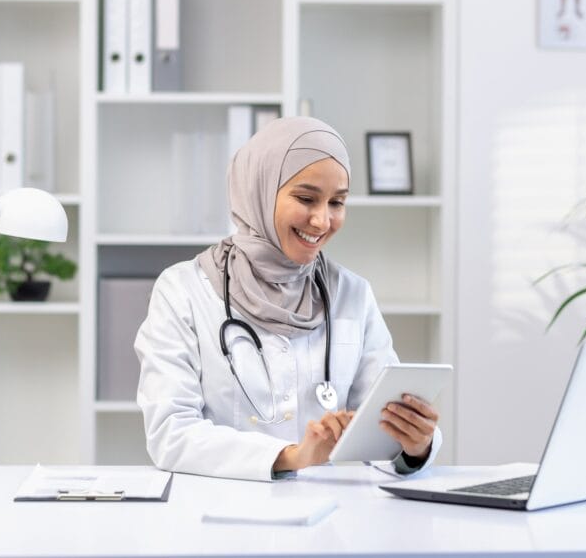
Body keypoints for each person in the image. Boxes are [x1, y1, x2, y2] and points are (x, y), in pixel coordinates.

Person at [135, 116, 442, 481]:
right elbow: (171, 433)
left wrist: (414, 445)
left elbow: (377, 429)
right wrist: (291, 456)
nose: (322, 221)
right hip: (219, 512)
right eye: (306, 198)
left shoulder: (351, 294)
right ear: (259, 190)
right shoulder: (183, 289)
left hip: (330, 518)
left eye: (337, 202)